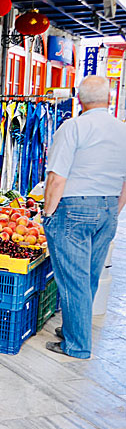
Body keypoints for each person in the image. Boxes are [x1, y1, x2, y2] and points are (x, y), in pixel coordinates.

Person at [42, 75, 126, 359]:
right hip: (108, 208)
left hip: (74, 209)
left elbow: (57, 177)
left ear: (78, 100)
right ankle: (72, 330)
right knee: (88, 277)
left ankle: (77, 345)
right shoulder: (122, 130)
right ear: (110, 100)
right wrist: (115, 210)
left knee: (72, 279)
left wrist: (48, 212)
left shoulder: (73, 127)